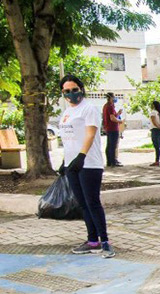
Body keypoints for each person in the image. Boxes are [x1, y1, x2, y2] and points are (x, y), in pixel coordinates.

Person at [58, 75, 115, 258]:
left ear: (81, 89)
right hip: (71, 164)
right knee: (83, 204)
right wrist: (64, 162)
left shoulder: (89, 109)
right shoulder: (67, 112)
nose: (71, 94)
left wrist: (81, 156)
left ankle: (105, 242)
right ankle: (92, 241)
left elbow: (90, 134)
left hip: (89, 163)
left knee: (92, 202)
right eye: (67, 91)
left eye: (74, 89)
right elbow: (69, 139)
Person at [102, 92, 123, 167]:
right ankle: (113, 162)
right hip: (113, 128)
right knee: (113, 146)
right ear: (110, 98)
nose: (115, 98)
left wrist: (118, 114)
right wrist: (120, 121)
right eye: (114, 97)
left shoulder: (106, 106)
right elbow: (112, 118)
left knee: (109, 145)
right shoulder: (110, 106)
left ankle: (109, 161)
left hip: (108, 128)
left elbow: (112, 116)